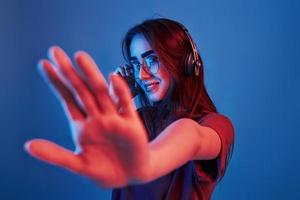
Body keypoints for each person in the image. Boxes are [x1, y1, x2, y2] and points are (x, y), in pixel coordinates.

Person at [25, 18, 234, 200]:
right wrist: (114, 100)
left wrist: (149, 162)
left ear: (185, 63)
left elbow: (192, 136)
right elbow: (98, 150)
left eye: (152, 60)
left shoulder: (215, 126)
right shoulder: (137, 123)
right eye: (135, 64)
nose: (141, 75)